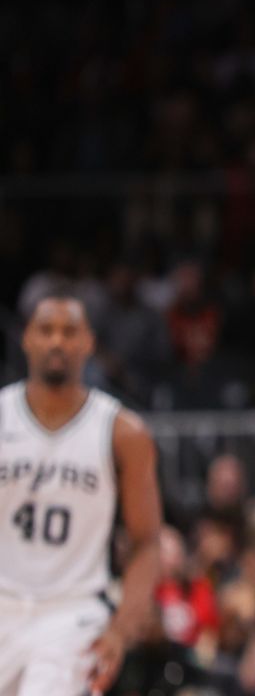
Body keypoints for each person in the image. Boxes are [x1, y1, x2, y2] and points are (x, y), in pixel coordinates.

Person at [0, 294, 163, 695]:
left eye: (69, 331)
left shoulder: (124, 433)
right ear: (27, 339)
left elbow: (147, 542)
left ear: (89, 342)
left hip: (72, 611)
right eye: (46, 330)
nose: (57, 341)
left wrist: (121, 632)